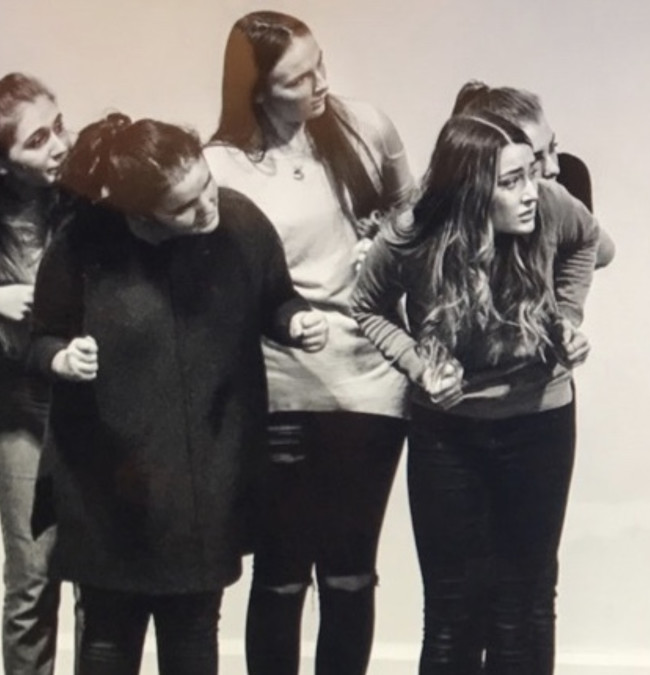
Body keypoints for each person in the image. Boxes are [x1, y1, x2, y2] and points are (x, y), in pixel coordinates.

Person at [29, 112, 328, 675]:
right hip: (109, 480)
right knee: (108, 637)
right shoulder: (84, 242)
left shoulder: (240, 223)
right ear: (141, 215)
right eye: (184, 207)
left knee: (193, 629)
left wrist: (295, 321)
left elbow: (276, 297)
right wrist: (61, 358)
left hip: (204, 477)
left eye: (206, 186)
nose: (207, 206)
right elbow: (41, 336)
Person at [203, 10, 417, 675]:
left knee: (351, 573)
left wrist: (388, 249)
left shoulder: (366, 127)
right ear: (257, 90)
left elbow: (416, 225)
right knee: (281, 572)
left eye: (320, 64)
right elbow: (222, 296)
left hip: (371, 383)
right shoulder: (221, 167)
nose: (320, 83)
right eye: (299, 78)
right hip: (282, 388)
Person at [351, 112, 598, 674]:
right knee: (451, 610)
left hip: (539, 423)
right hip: (448, 433)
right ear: (470, 191)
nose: (531, 191)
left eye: (530, 174)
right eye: (511, 182)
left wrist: (566, 317)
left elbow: (588, 241)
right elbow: (366, 306)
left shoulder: (551, 206)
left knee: (522, 605)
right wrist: (418, 364)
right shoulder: (414, 231)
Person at [0, 72, 70, 675]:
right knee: (32, 578)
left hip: (90, 400)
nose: (59, 145)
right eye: (37, 139)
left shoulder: (84, 199)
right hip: (19, 408)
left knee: (101, 579)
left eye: (59, 127)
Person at [451, 81, 614, 267]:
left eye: (552, 147)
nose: (553, 168)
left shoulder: (568, 176)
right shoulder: (455, 216)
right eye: (535, 157)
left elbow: (598, 253)